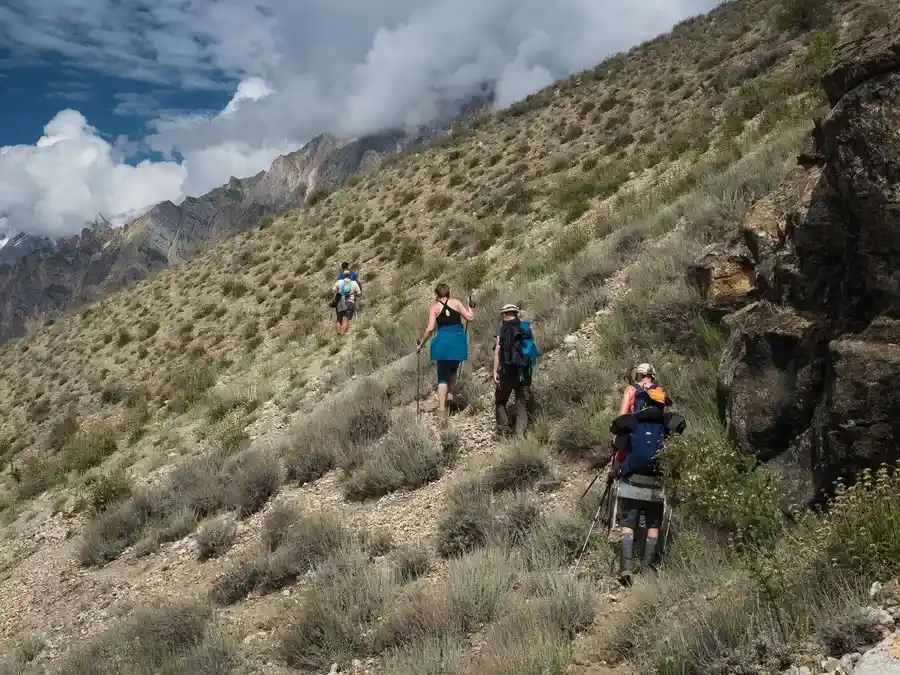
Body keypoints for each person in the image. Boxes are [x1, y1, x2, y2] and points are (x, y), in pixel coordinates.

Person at [611, 363, 669, 587]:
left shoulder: (631, 390)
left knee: (628, 519)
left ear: (637, 375)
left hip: (632, 462)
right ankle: (647, 569)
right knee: (654, 520)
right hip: (655, 469)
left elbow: (620, 419)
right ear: (653, 375)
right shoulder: (660, 392)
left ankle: (626, 566)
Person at [416, 283, 473, 424]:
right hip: (458, 341)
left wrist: (421, 345)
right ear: (449, 292)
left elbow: (430, 329)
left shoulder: (434, 307)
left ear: (437, 294)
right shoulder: (457, 303)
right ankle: (450, 398)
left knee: (442, 377)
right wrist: (470, 307)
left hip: (442, 342)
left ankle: (442, 412)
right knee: (453, 370)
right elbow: (470, 317)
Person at [493, 304, 537, 438]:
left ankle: (504, 429)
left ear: (505, 314)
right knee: (521, 403)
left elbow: (498, 352)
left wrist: (495, 371)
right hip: (523, 371)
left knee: (500, 401)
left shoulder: (503, 329)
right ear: (516, 313)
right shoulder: (525, 327)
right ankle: (520, 433)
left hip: (507, 371)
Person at [331, 269, 362, 335]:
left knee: (339, 319)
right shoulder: (354, 282)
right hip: (350, 302)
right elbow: (359, 293)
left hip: (340, 302)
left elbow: (333, 290)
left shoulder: (339, 281)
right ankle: (342, 335)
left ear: (343, 275)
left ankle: (338, 335)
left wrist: (336, 295)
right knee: (345, 319)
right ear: (350, 275)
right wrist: (355, 294)